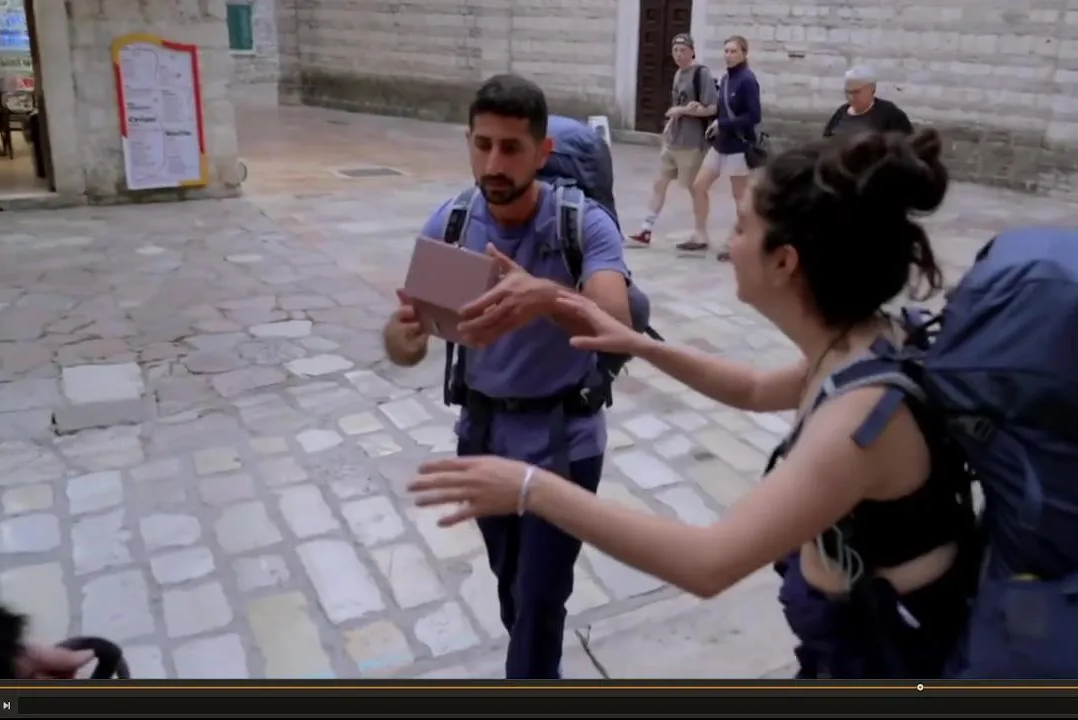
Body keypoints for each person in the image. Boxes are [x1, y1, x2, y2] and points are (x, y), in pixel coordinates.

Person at [410, 129, 981, 678]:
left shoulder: (860, 423)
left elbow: (707, 563)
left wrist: (530, 487)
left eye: (742, 227)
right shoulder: (862, 345)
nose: (729, 244)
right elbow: (754, 388)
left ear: (784, 262)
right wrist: (639, 344)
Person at [382, 74, 632, 679]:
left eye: (511, 148)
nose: (494, 164)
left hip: (564, 441)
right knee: (512, 588)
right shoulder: (453, 225)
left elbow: (617, 324)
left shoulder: (581, 224)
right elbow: (403, 342)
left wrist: (545, 297)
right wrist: (404, 336)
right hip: (483, 437)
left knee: (541, 599)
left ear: (542, 152)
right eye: (483, 145)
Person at [627, 33, 718, 248]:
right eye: (675, 50)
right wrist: (673, 119)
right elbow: (678, 105)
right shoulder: (678, 74)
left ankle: (701, 233)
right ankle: (645, 230)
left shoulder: (701, 73)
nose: (678, 54)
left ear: (692, 51)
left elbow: (712, 108)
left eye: (683, 50)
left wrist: (684, 110)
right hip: (673, 139)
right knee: (660, 183)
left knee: (695, 189)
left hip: (692, 142)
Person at [683, 35, 762, 260]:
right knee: (699, 185)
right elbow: (722, 109)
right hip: (720, 144)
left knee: (740, 197)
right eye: (726, 51)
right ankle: (700, 235)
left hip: (738, 145)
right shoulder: (726, 79)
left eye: (733, 51)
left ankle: (736, 242)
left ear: (744, 53)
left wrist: (723, 124)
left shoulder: (748, 80)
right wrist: (702, 108)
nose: (728, 55)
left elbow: (754, 116)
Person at [822, 66, 914, 140]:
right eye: (848, 92)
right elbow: (826, 140)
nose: (851, 97)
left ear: (871, 89)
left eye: (856, 92)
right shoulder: (841, 112)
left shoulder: (890, 113)